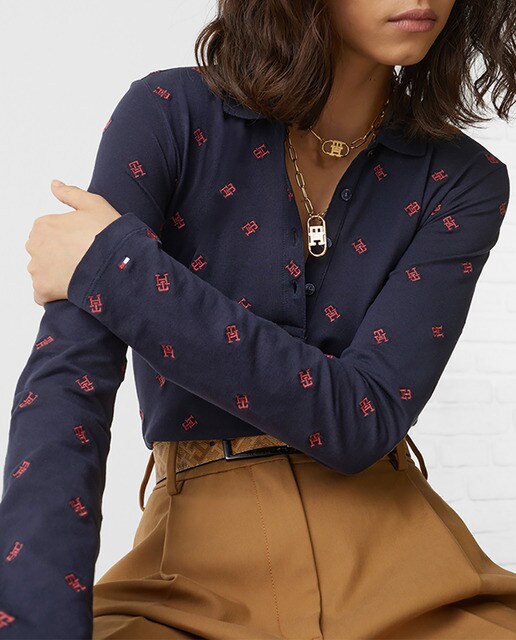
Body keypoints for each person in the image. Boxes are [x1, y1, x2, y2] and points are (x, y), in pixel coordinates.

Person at [2, 0, 516, 637]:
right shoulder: (169, 115)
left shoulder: (465, 180)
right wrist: (32, 621)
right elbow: (69, 384)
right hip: (188, 575)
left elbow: (365, 417)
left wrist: (119, 273)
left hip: (407, 568)